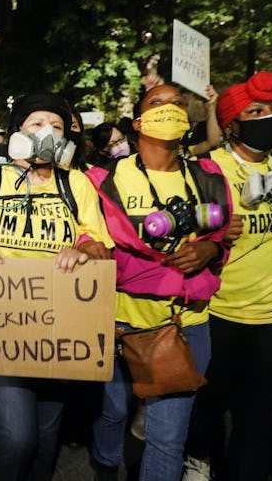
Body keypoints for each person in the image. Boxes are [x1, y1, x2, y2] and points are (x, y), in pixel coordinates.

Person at [0, 93, 114, 481]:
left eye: (57, 127)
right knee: (18, 433)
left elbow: (100, 249)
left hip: (60, 326)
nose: (47, 132)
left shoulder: (76, 184)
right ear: (16, 134)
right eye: (36, 124)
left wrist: (84, 253)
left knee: (46, 432)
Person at [86, 83, 232, 481]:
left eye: (178, 104)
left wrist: (211, 252)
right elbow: (90, 237)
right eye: (158, 103)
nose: (170, 110)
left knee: (167, 439)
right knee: (114, 412)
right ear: (138, 121)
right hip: (119, 323)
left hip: (184, 326)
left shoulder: (208, 176)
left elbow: (223, 241)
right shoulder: (104, 180)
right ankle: (104, 467)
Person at [183, 71, 272, 481]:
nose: (269, 118)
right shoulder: (209, 171)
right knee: (208, 406)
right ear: (231, 126)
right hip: (220, 315)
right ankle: (198, 460)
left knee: (258, 421)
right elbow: (184, 228)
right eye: (256, 111)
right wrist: (213, 230)